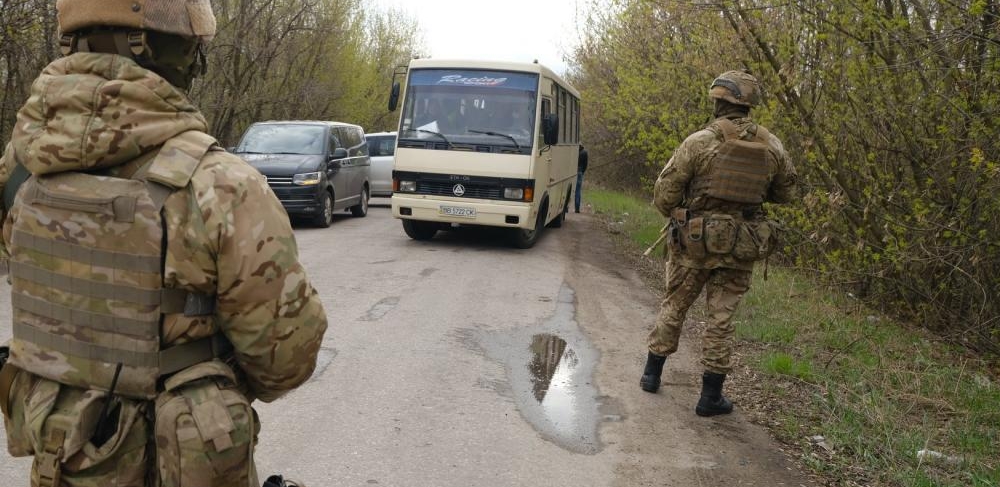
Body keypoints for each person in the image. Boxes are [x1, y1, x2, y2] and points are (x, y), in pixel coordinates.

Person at [0, 1, 328, 485]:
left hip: (62, 454)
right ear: (174, 53)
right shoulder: (221, 184)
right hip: (179, 462)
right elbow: (285, 358)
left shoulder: (20, 169)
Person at [639, 70, 797, 417]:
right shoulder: (772, 146)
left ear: (718, 101)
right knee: (720, 320)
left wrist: (688, 213)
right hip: (740, 245)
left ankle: (652, 375)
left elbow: (664, 195)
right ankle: (709, 397)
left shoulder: (698, 142)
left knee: (675, 306)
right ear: (749, 105)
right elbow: (786, 193)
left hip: (693, 243)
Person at [575, 145, 589, 213]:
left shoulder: (574, 151)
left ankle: (566, 208)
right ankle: (577, 208)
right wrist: (582, 172)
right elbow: (586, 164)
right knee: (578, 190)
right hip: (580, 171)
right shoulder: (584, 152)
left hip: (572, 171)